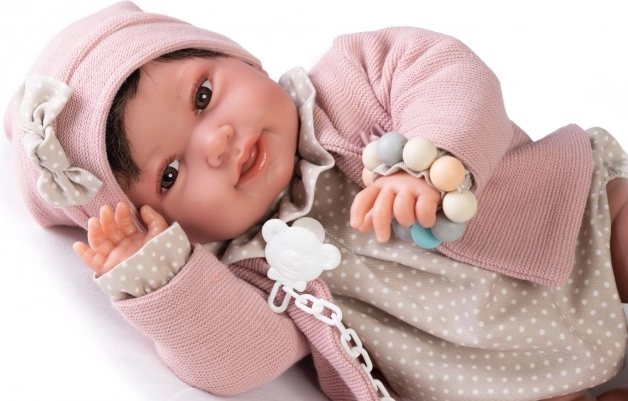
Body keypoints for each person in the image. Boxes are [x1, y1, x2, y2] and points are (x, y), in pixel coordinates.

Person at [4, 2, 628, 400]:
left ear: (238, 56)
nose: (216, 143)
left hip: (577, 230)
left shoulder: (350, 81)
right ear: (168, 226)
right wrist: (162, 280)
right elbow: (242, 360)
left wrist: (431, 157)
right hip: (490, 378)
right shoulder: (249, 273)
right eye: (169, 173)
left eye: (202, 97)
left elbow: (445, 71)